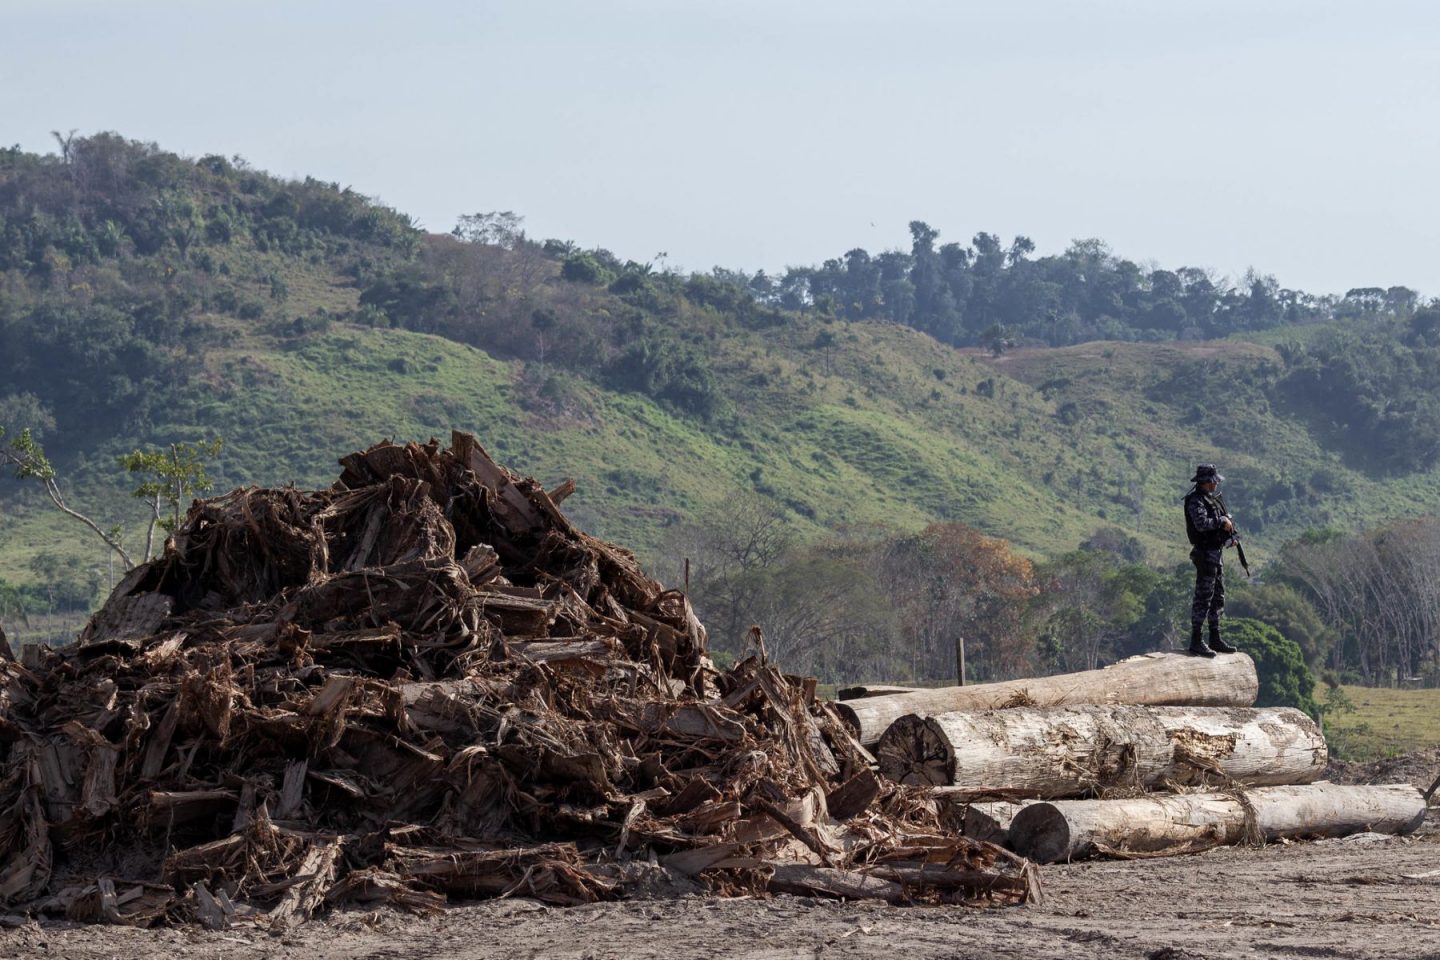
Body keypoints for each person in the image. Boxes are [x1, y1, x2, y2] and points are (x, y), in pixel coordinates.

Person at [1183, 464, 1239, 657]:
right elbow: (1201, 524)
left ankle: (1215, 637)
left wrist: (1230, 534)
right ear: (1206, 482)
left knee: (1217, 596)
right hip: (1205, 555)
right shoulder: (1195, 501)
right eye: (1213, 481)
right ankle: (1196, 640)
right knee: (1203, 598)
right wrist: (1221, 522)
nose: (1215, 485)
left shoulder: (1211, 500)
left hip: (1216, 554)